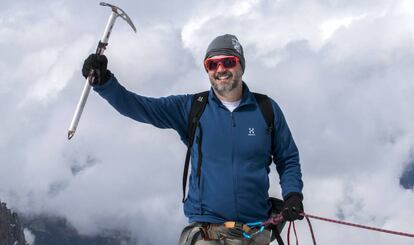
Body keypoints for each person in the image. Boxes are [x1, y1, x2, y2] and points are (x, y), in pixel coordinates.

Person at [82, 34, 304, 245]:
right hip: (206, 232)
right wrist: (104, 83)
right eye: (212, 64)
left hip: (255, 232)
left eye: (228, 61)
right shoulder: (193, 108)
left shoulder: (266, 109)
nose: (220, 69)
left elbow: (288, 158)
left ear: (241, 65)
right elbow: (140, 107)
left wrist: (293, 194)